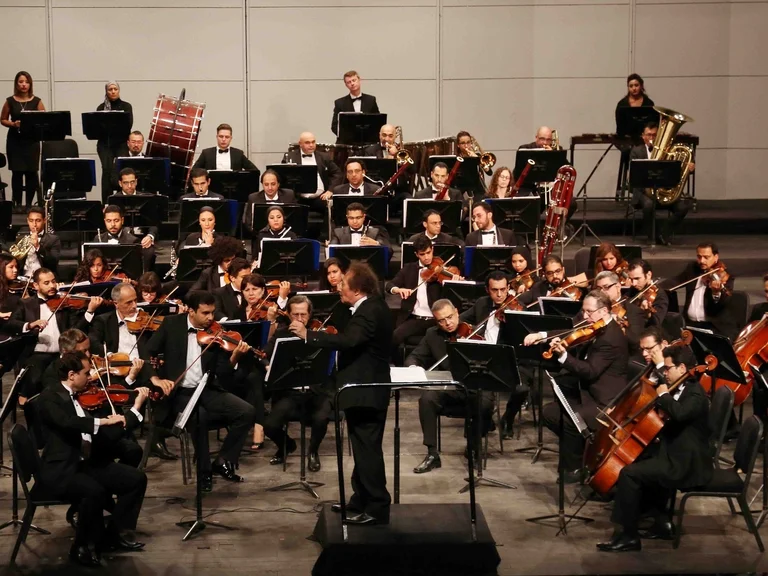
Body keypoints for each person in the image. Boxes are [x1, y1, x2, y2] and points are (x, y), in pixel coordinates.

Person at [289, 262, 392, 525]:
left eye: (344, 284)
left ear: (357, 289)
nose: (339, 287)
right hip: (363, 391)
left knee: (367, 451)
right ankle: (361, 498)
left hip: (366, 392)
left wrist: (308, 335)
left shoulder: (369, 311)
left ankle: (377, 507)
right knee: (362, 449)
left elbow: (348, 341)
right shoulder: (369, 307)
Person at [37, 351, 149, 566]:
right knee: (93, 491)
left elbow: (103, 432)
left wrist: (131, 413)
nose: (90, 378)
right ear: (72, 375)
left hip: (85, 463)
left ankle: (112, 535)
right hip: (62, 468)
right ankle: (81, 547)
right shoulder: (50, 397)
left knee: (136, 479)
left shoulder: (82, 396)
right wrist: (103, 422)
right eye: (86, 373)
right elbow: (68, 422)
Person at [597, 345, 712, 552]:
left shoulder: (696, 393)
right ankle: (661, 522)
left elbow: (680, 414)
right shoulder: (681, 387)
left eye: (668, 368)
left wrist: (664, 395)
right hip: (674, 451)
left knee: (629, 474)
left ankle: (628, 536)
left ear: (682, 367)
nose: (664, 373)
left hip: (685, 463)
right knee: (639, 461)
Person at [143, 291, 255, 491]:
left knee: (246, 411)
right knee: (199, 418)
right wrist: (156, 379)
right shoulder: (171, 325)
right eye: (205, 313)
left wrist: (235, 357)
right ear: (191, 311)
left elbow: (223, 372)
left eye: (212, 312)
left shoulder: (215, 332)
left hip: (206, 389)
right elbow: (147, 352)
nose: (211, 318)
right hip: (179, 392)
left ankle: (222, 460)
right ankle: (204, 473)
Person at [525, 290, 629, 482]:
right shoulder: (596, 326)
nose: (585, 316)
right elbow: (571, 331)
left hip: (605, 401)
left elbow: (590, 371)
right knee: (550, 413)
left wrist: (564, 356)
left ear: (604, 311)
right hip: (588, 391)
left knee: (572, 420)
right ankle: (581, 451)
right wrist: (542, 335)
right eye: (584, 311)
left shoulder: (611, 339)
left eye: (589, 312)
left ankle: (573, 467)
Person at [406, 299, 495, 473]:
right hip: (450, 389)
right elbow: (414, 356)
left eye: (450, 317)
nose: (448, 323)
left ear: (456, 312)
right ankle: (432, 454)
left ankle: (473, 447)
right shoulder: (432, 335)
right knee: (427, 398)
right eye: (441, 320)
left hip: (474, 387)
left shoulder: (475, 331)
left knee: (485, 403)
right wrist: (413, 367)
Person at [262, 295, 332, 471]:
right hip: (289, 392)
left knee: (321, 418)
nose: (300, 319)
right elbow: (263, 354)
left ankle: (313, 451)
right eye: (295, 315)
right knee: (270, 426)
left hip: (316, 391)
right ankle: (287, 445)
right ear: (288, 314)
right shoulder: (281, 334)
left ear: (309, 315)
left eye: (303, 314)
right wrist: (268, 365)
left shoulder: (319, 334)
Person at [9, 267, 103, 399]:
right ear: (36, 285)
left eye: (53, 281)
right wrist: (30, 325)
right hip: (36, 354)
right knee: (35, 374)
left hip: (62, 355)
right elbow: (11, 324)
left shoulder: (64, 303)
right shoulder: (26, 304)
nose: (52, 286)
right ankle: (27, 400)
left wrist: (90, 311)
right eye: (46, 283)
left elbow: (75, 330)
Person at [629, 122, 692, 246]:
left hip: (663, 190)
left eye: (654, 135)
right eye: (649, 135)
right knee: (648, 205)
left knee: (682, 207)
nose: (651, 138)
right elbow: (634, 176)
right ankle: (651, 236)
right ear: (643, 136)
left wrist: (688, 167)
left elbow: (676, 174)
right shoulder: (636, 151)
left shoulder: (668, 151)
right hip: (643, 191)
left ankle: (664, 232)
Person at [386, 236, 450, 349]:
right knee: (394, 337)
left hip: (436, 320)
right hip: (415, 319)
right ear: (416, 254)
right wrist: (398, 290)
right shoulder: (409, 269)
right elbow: (389, 285)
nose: (426, 257)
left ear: (432, 249)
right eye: (422, 254)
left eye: (428, 253)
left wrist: (454, 281)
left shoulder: (441, 270)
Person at [667, 242, 737, 341]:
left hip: (714, 327)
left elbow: (722, 304)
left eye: (706, 257)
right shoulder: (692, 268)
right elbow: (676, 281)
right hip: (690, 325)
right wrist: (656, 286)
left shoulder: (725, 275)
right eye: (699, 257)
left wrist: (716, 293)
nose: (702, 261)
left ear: (716, 257)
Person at [1, 71, 45, 209]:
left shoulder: (37, 101)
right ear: (16, 84)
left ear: (30, 84)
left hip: (32, 141)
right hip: (15, 141)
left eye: (26, 82)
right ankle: (18, 204)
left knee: (31, 172)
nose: (24, 84)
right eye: (20, 82)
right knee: (17, 172)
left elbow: (44, 119)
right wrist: (13, 124)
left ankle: (29, 204)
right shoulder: (10, 101)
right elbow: (3, 119)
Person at [96, 82, 133, 202]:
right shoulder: (101, 108)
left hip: (121, 143)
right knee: (106, 170)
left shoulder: (126, 106)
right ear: (106, 91)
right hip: (105, 144)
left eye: (115, 89)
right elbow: (97, 129)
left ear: (119, 90)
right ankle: (106, 203)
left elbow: (128, 125)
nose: (113, 91)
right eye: (110, 89)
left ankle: (122, 200)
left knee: (121, 170)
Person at [94, 204, 154, 273]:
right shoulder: (98, 239)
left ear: (122, 220)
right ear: (104, 221)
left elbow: (135, 269)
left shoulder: (133, 241)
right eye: (109, 221)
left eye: (116, 220)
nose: (112, 224)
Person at [282, 131, 342, 201]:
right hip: (297, 199)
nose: (311, 145)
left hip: (321, 197)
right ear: (300, 144)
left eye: (313, 142)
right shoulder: (290, 157)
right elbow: (282, 177)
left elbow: (337, 173)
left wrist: (330, 190)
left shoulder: (324, 157)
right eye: (307, 143)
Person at [243, 169, 297, 239]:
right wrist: (261, 235)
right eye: (266, 184)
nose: (270, 188)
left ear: (278, 184)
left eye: (273, 184)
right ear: (262, 185)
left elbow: (295, 219)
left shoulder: (289, 195)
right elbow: (248, 223)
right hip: (261, 236)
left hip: (286, 236)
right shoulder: (253, 198)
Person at [111, 168, 160, 241]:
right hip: (120, 239)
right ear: (120, 183)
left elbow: (154, 222)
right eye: (126, 183)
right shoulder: (114, 200)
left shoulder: (147, 198)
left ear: (136, 182)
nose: (129, 186)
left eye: (132, 182)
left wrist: (150, 236)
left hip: (143, 237)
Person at [11, 206, 61, 276]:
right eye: (31, 221)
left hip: (43, 278)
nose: (34, 224)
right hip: (23, 277)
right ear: (27, 221)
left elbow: (53, 263)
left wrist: (38, 247)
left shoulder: (53, 239)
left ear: (44, 220)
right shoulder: (21, 238)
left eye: (38, 220)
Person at [331, 71, 380, 138]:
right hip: (346, 141)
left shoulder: (371, 100)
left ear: (359, 80)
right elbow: (334, 126)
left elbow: (378, 121)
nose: (352, 83)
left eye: (354, 80)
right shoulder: (339, 103)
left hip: (367, 140)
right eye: (349, 82)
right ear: (346, 85)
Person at [192, 123, 257, 171]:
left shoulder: (238, 154)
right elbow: (194, 171)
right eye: (221, 136)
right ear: (217, 137)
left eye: (227, 137)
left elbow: (254, 170)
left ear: (231, 138)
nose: (223, 139)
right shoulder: (206, 153)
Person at [626, 259, 669, 330]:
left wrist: (647, 314)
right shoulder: (633, 289)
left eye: (637, 278)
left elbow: (656, 323)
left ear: (649, 275)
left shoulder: (660, 295)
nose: (634, 283)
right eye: (631, 279)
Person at [212, 257, 251, 321]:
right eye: (244, 277)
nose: (248, 280)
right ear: (232, 278)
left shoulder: (254, 291)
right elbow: (217, 312)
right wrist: (229, 321)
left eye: (250, 276)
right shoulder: (219, 293)